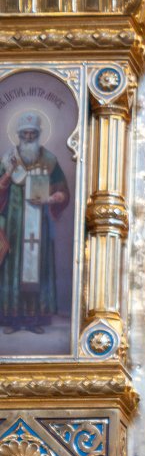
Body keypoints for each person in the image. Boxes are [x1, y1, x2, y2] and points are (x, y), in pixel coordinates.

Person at [0, 113, 70, 333]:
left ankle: (34, 319)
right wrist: (9, 172)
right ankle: (11, 319)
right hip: (13, 224)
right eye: (25, 133)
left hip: (39, 225)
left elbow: (63, 192)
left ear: (38, 134)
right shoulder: (8, 159)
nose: (29, 137)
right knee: (12, 267)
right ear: (19, 135)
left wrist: (50, 199)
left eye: (32, 133)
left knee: (37, 267)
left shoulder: (49, 160)